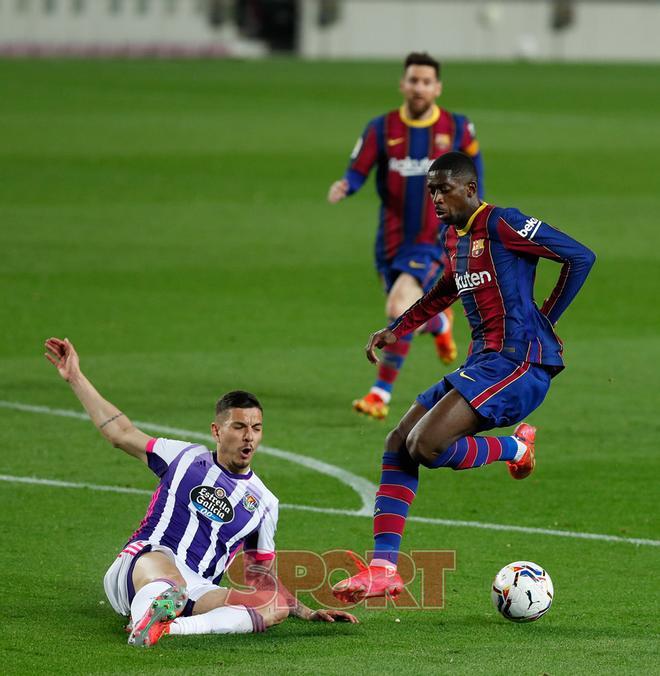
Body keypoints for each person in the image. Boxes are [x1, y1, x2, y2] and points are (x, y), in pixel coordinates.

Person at [331, 152, 595, 603]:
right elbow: (443, 291)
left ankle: (516, 447)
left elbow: (580, 257)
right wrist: (397, 328)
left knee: (427, 445)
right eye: (430, 189)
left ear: (469, 189)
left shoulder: (502, 223)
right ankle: (383, 569)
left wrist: (544, 320)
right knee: (399, 441)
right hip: (481, 365)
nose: (433, 197)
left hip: (519, 365)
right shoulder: (453, 237)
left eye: (442, 188)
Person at [44, 337, 357, 647]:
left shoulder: (264, 503)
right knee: (170, 579)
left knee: (271, 605)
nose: (249, 437)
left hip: (197, 589)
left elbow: (261, 576)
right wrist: (76, 377)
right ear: (216, 430)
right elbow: (120, 432)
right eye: (238, 427)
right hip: (144, 563)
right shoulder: (182, 456)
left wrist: (306, 611)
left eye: (256, 428)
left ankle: (169, 628)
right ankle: (146, 616)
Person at [328, 52, 484, 420]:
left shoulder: (458, 128)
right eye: (413, 80)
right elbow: (358, 170)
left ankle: (379, 394)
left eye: (426, 81)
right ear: (403, 84)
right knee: (406, 309)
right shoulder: (381, 129)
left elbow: (475, 177)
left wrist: (476, 220)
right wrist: (344, 186)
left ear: (437, 87)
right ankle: (440, 323)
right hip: (392, 242)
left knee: (398, 308)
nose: (419, 87)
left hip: (436, 239)